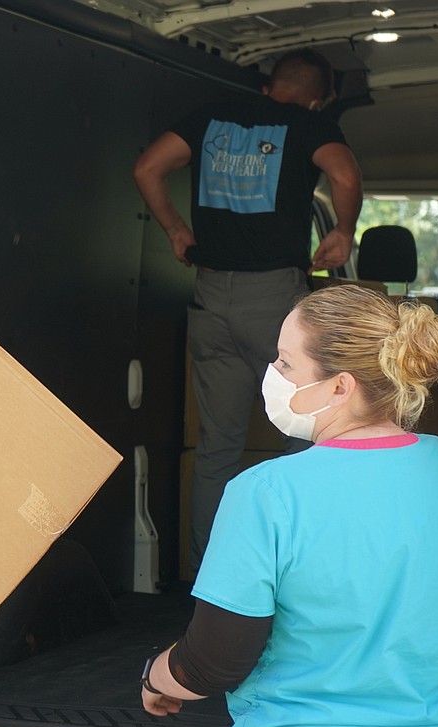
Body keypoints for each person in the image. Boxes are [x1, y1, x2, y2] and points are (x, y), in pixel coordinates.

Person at [138, 284, 438, 727]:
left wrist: (157, 676)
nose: (272, 376)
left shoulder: (266, 492)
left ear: (340, 387)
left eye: (286, 364)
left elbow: (214, 661)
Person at [132, 48, 363, 574]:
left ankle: (208, 580)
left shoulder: (208, 120)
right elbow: (345, 176)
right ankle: (293, 575)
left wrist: (175, 229)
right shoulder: (308, 124)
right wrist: (343, 231)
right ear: (316, 98)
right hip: (276, 304)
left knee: (217, 449)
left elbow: (147, 168)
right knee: (302, 439)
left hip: (210, 297)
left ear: (268, 88)